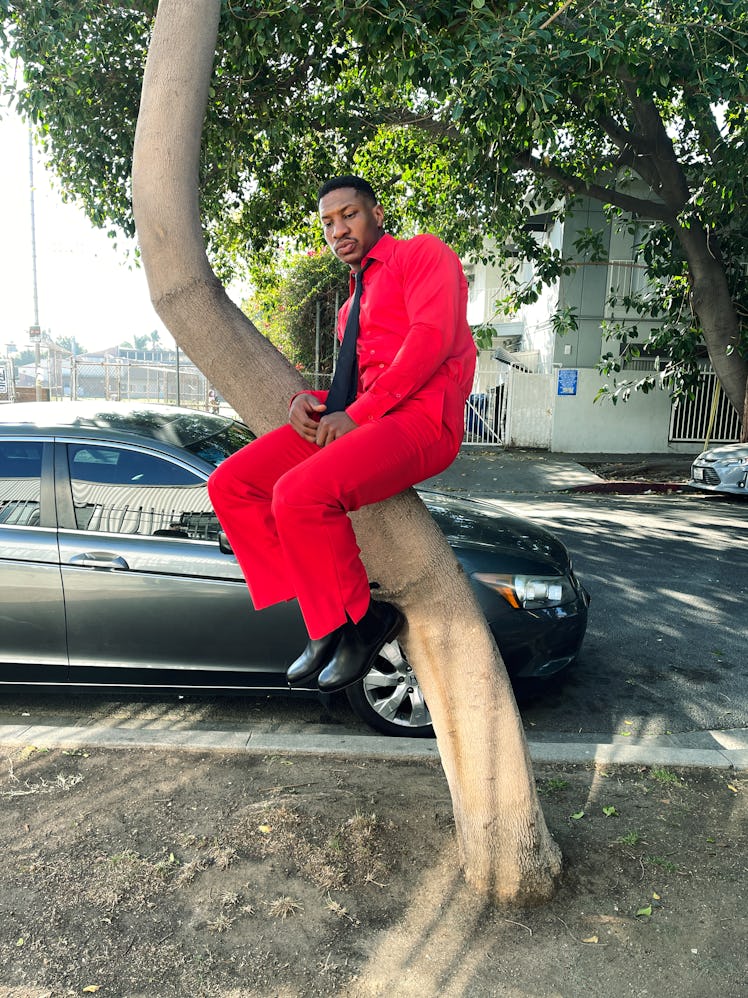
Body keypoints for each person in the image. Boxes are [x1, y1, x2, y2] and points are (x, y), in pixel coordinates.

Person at [207, 175, 476, 694]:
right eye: (328, 223)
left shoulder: (422, 255)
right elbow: (351, 387)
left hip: (423, 419)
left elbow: (430, 340)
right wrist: (304, 403)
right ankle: (328, 619)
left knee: (298, 493)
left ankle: (361, 622)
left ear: (376, 213)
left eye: (348, 215)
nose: (338, 230)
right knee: (232, 485)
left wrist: (360, 413)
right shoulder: (350, 305)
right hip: (368, 419)